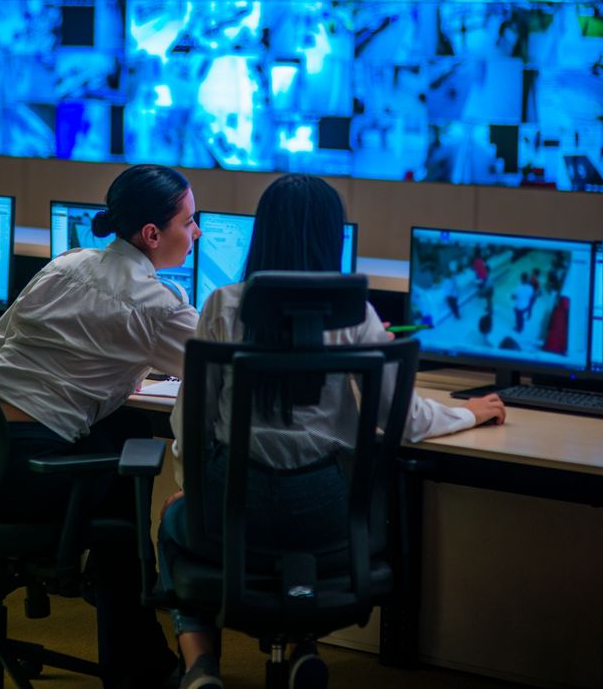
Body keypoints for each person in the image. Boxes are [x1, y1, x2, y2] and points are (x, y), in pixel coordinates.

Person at [159, 175, 505, 689]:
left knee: (171, 517)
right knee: (299, 544)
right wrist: (472, 412)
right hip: (326, 518)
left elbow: (191, 422)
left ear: (264, 233)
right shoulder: (356, 315)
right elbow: (406, 420)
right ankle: (302, 647)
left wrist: (195, 486)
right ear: (329, 236)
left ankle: (200, 665)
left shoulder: (222, 307)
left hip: (233, 517)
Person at [0, 163, 202, 689]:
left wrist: (95, 379)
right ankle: (137, 666)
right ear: (152, 234)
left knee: (125, 435)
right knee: (126, 497)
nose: (195, 233)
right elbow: (222, 368)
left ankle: (133, 650)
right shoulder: (158, 304)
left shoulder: (66, 263)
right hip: (27, 472)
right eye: (189, 222)